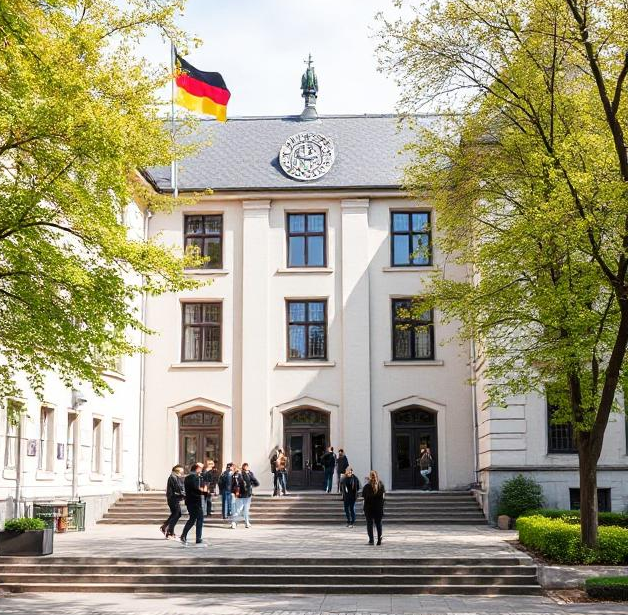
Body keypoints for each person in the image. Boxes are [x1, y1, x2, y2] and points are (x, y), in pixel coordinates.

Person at [180, 462, 208, 546]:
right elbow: (195, 489)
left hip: (190, 501)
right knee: (199, 519)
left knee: (192, 519)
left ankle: (184, 535)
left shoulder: (188, 477)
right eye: (201, 468)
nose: (201, 470)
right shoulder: (194, 477)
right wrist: (204, 492)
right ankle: (198, 538)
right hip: (195, 501)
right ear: (197, 469)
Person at [230, 462, 260, 528]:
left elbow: (256, 482)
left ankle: (247, 522)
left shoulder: (248, 474)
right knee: (238, 510)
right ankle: (234, 522)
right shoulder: (236, 475)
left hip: (247, 494)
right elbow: (234, 485)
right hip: (240, 495)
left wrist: (251, 484)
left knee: (246, 510)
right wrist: (233, 492)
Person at [160, 464, 185, 539]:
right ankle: (169, 531)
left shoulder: (176, 477)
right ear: (177, 471)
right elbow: (177, 488)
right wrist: (183, 493)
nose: (182, 472)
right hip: (172, 498)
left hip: (175, 498)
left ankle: (166, 528)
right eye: (181, 471)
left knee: (177, 514)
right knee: (176, 514)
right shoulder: (172, 477)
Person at [362, 470, 385, 546]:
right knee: (378, 524)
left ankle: (371, 540)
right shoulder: (381, 485)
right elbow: (383, 498)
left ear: (369, 477)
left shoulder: (366, 487)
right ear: (376, 476)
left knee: (369, 524)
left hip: (369, 508)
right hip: (378, 508)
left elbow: (364, 498)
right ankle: (379, 540)